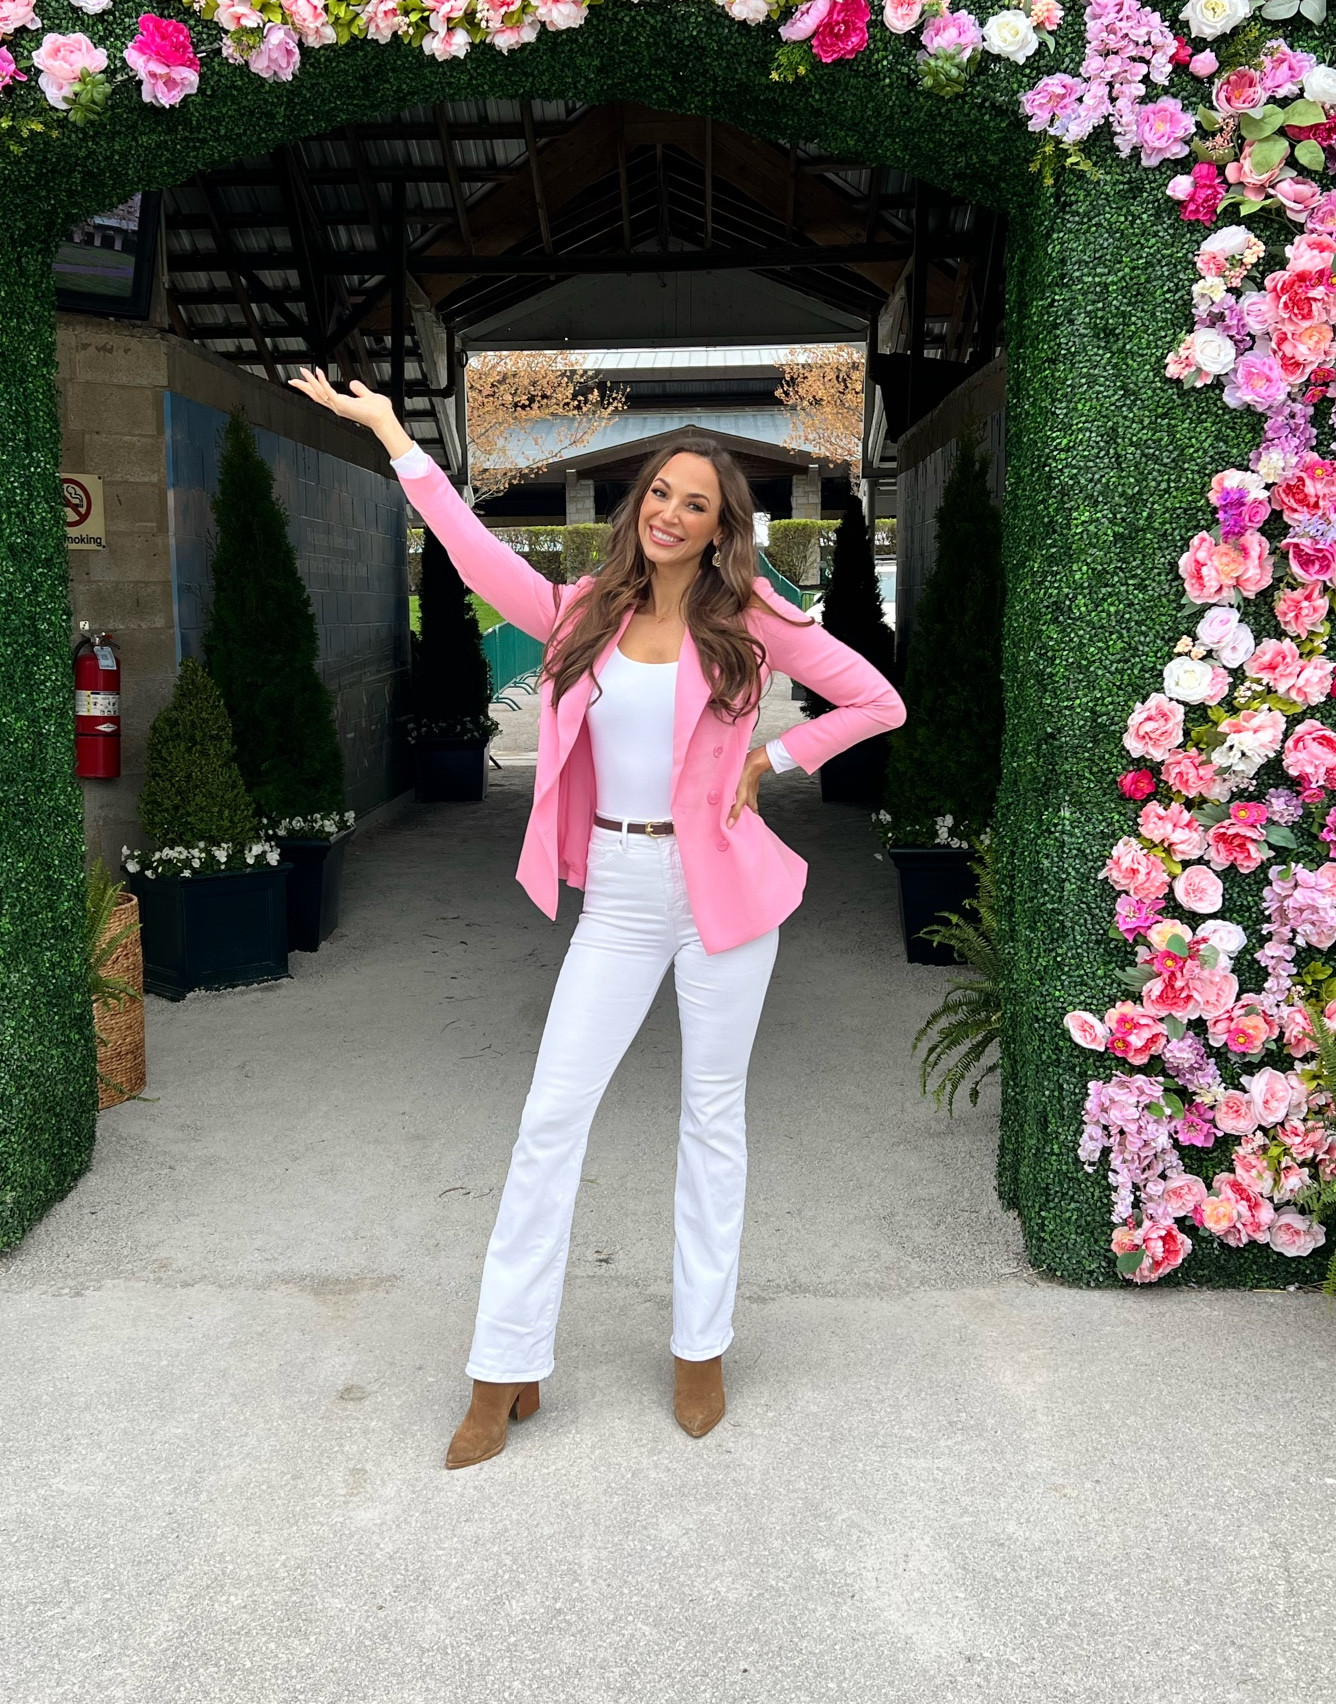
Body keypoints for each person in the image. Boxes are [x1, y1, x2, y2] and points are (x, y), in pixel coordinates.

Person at [292, 369, 906, 1467]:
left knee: (712, 1118)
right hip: (618, 897)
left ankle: (700, 1346)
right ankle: (505, 1363)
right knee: (548, 1122)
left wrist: (774, 754)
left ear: (724, 528)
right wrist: (393, 435)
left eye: (697, 503)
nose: (671, 512)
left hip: (724, 896)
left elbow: (876, 698)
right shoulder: (583, 610)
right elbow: (477, 554)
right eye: (659, 493)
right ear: (638, 506)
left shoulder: (753, 615)